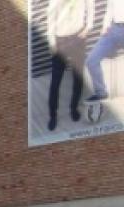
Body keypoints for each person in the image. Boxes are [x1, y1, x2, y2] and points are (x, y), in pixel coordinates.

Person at [47, 0, 93, 130]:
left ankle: (74, 108)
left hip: (78, 37)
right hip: (60, 40)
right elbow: (51, 17)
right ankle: (53, 115)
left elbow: (90, 4)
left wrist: (88, 27)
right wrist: (52, 44)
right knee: (55, 82)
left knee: (78, 77)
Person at [85, 0, 124, 102]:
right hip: (114, 29)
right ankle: (101, 93)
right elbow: (109, 9)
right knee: (91, 61)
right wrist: (104, 27)